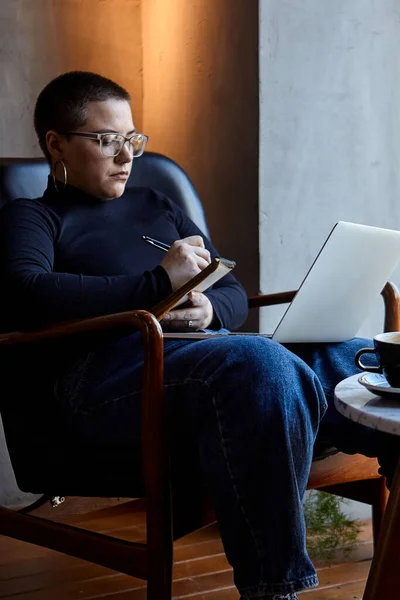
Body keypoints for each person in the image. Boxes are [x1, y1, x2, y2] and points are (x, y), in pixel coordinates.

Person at [0, 70, 398, 600]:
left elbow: (232, 290)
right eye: (106, 140)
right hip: (101, 381)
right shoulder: (33, 217)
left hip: (204, 356)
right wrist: (157, 285)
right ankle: (274, 589)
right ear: (56, 143)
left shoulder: (155, 206)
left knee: (360, 359)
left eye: (132, 139)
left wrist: (207, 304)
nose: (126, 156)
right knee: (259, 362)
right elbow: (26, 292)